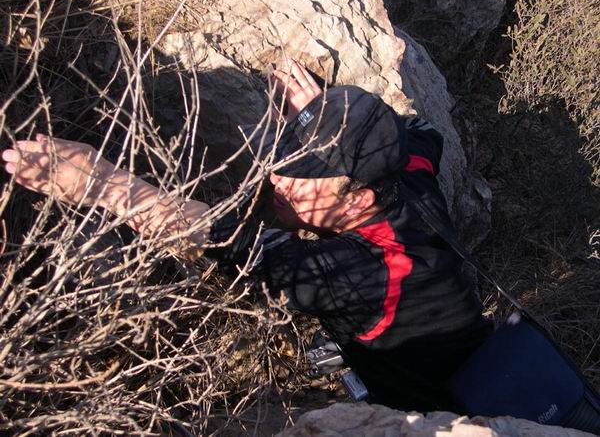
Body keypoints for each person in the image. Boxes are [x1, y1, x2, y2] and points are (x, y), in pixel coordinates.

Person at [1, 61, 491, 412]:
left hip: (433, 410)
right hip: (460, 345)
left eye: (307, 175)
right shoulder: (411, 174)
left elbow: (221, 238)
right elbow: (424, 130)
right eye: (291, 157)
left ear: (357, 200)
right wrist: (326, 118)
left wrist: (102, 184)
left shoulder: (364, 272)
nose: (279, 178)